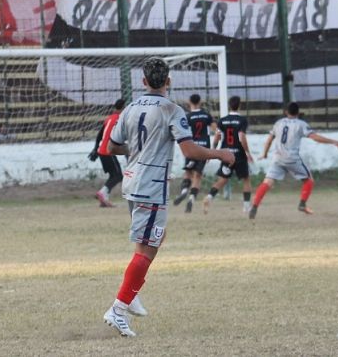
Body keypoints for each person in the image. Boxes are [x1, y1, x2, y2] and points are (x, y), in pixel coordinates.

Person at [102, 58, 235, 337]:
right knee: (149, 246)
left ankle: (131, 293)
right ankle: (118, 308)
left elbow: (112, 147)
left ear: (143, 81)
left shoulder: (131, 107)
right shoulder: (171, 109)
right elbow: (190, 151)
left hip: (132, 181)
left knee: (153, 239)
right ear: (169, 81)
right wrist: (220, 153)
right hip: (150, 185)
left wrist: (139, 150)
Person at [251, 102, 338, 218]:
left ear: (286, 112)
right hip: (292, 159)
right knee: (309, 180)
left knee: (267, 182)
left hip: (278, 158)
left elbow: (269, 140)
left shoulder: (278, 123)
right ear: (298, 112)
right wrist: (333, 142)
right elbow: (315, 137)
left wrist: (264, 154)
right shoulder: (301, 124)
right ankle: (302, 204)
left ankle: (254, 207)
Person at [202, 96, 253, 215]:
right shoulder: (242, 120)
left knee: (223, 179)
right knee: (246, 179)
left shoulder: (222, 120)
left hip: (226, 154)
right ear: (239, 105)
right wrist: (247, 153)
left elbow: (217, 136)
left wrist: (212, 151)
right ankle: (246, 207)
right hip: (239, 155)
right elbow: (241, 137)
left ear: (229, 105)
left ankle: (209, 197)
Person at [173, 94, 218, 213]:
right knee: (197, 175)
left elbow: (182, 132)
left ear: (189, 102)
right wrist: (213, 148)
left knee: (188, 172)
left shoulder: (187, 116)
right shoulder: (206, 115)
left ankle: (184, 191)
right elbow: (216, 131)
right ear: (200, 101)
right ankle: (191, 199)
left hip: (192, 147)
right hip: (203, 148)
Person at [89, 99, 125, 208]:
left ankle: (104, 200)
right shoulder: (120, 119)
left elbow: (99, 135)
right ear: (124, 108)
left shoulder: (109, 118)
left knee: (113, 175)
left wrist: (95, 149)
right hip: (108, 151)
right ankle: (102, 193)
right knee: (118, 176)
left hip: (101, 151)